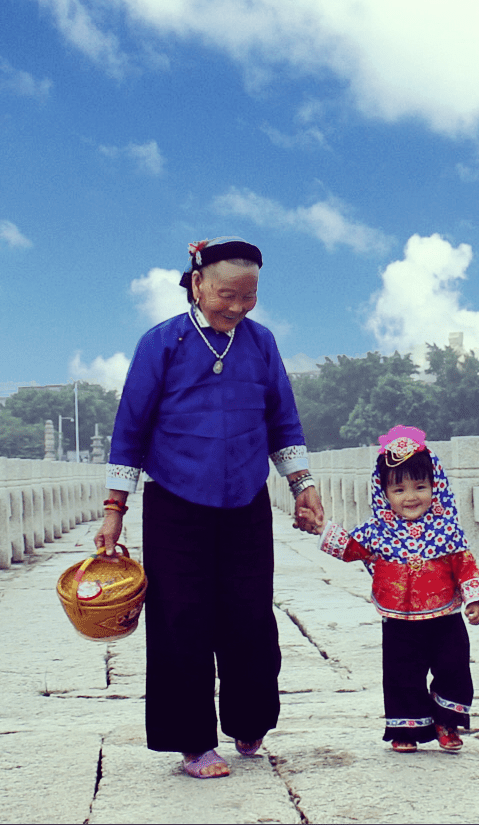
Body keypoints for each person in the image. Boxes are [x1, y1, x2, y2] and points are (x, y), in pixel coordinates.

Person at [95, 236, 324, 779]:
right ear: (196, 283)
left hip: (245, 501)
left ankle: (250, 719)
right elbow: (130, 430)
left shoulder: (261, 344)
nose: (238, 308)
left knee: (250, 615)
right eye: (227, 295)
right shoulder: (162, 343)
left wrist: (302, 485)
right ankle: (193, 742)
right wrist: (114, 511)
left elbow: (283, 422)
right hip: (177, 503)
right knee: (182, 621)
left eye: (249, 297)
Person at [296, 424, 479, 753]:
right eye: (399, 491)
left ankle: (446, 722)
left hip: (444, 616)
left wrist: (474, 599)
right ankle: (405, 729)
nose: (411, 497)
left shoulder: (447, 529)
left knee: (454, 667)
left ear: (435, 486)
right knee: (402, 673)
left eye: (420, 487)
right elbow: (350, 548)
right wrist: (320, 529)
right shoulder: (377, 531)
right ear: (383, 493)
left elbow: (465, 565)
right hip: (398, 619)